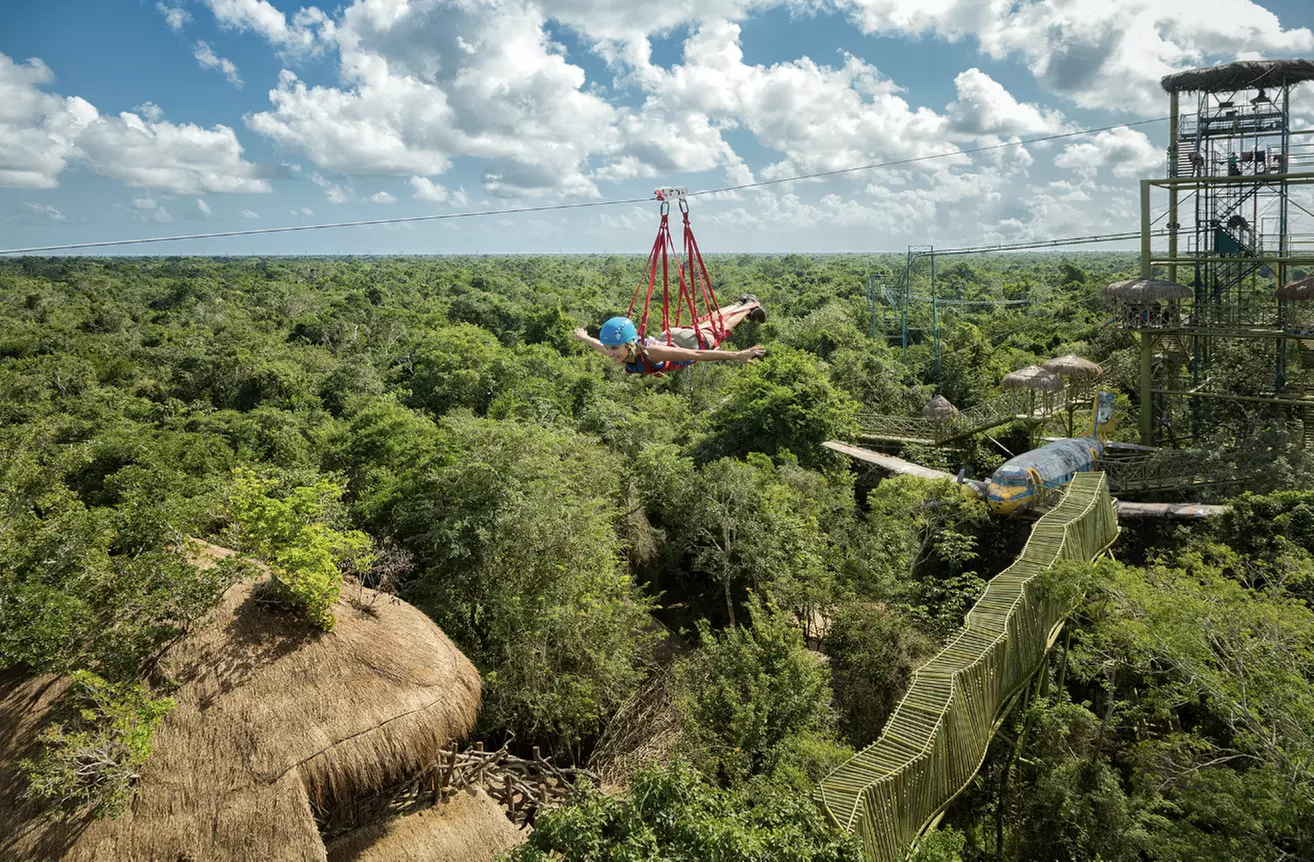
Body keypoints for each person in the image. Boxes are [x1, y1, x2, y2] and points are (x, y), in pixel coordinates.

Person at [573, 294, 767, 374]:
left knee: (720, 328)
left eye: (614, 348)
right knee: (710, 323)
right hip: (670, 336)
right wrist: (584, 338)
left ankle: (750, 306)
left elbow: (697, 354)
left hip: (689, 343)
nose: (609, 352)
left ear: (629, 344)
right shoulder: (625, 352)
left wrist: (737, 355)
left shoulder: (651, 353)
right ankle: (742, 303)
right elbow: (599, 346)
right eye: (609, 348)